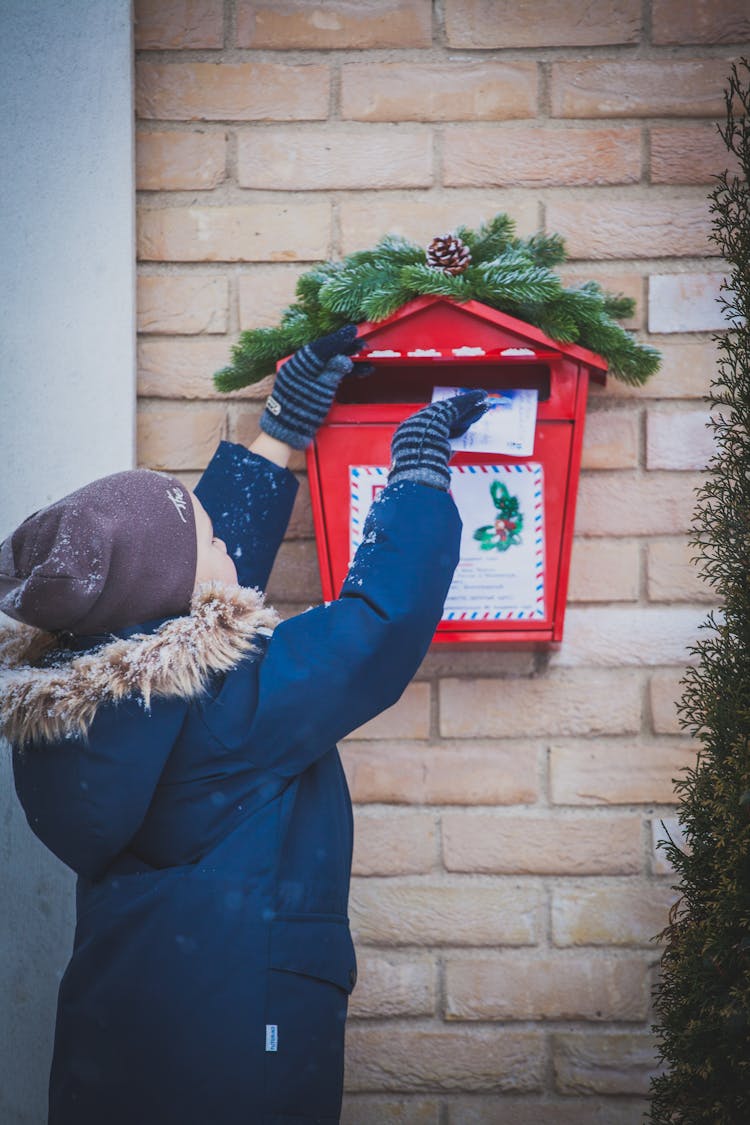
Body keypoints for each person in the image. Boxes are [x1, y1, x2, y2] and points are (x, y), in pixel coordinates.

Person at [0, 324, 487, 1125]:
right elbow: (376, 628)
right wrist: (418, 474)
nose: (228, 542)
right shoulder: (228, 711)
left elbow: (174, 586)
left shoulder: (96, 696)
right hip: (236, 1047)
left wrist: (283, 427)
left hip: (127, 1038)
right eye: (216, 540)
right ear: (187, 589)